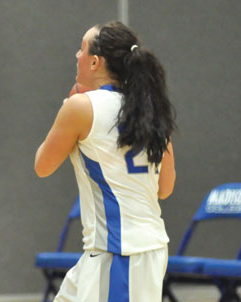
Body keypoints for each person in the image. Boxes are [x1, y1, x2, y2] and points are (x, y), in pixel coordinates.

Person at [34, 21, 176, 302]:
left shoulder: (80, 107)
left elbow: (42, 166)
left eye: (82, 48)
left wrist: (67, 112)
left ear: (96, 62)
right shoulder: (151, 108)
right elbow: (165, 188)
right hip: (129, 248)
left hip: (121, 252)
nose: (77, 54)